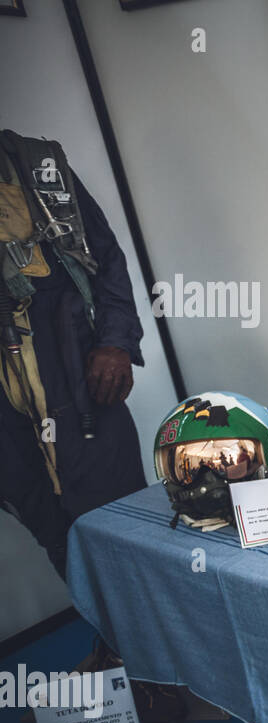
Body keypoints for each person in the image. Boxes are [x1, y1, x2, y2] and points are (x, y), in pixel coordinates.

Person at [0, 130, 146, 579]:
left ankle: (157, 644)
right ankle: (115, 644)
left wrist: (116, 342)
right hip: (9, 407)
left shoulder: (37, 165)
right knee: (50, 525)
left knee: (123, 519)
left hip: (77, 376)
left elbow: (106, 256)